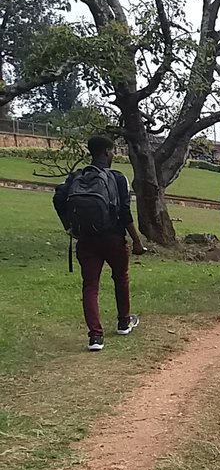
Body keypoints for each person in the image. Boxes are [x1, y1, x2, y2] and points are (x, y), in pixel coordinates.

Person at [53, 135, 147, 351]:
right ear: (106, 152)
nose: (114, 155)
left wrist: (69, 226)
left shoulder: (77, 177)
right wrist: (136, 241)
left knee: (90, 286)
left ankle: (95, 337)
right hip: (113, 238)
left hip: (86, 240)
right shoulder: (117, 178)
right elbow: (124, 212)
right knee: (120, 278)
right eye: (113, 151)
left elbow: (58, 199)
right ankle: (124, 322)